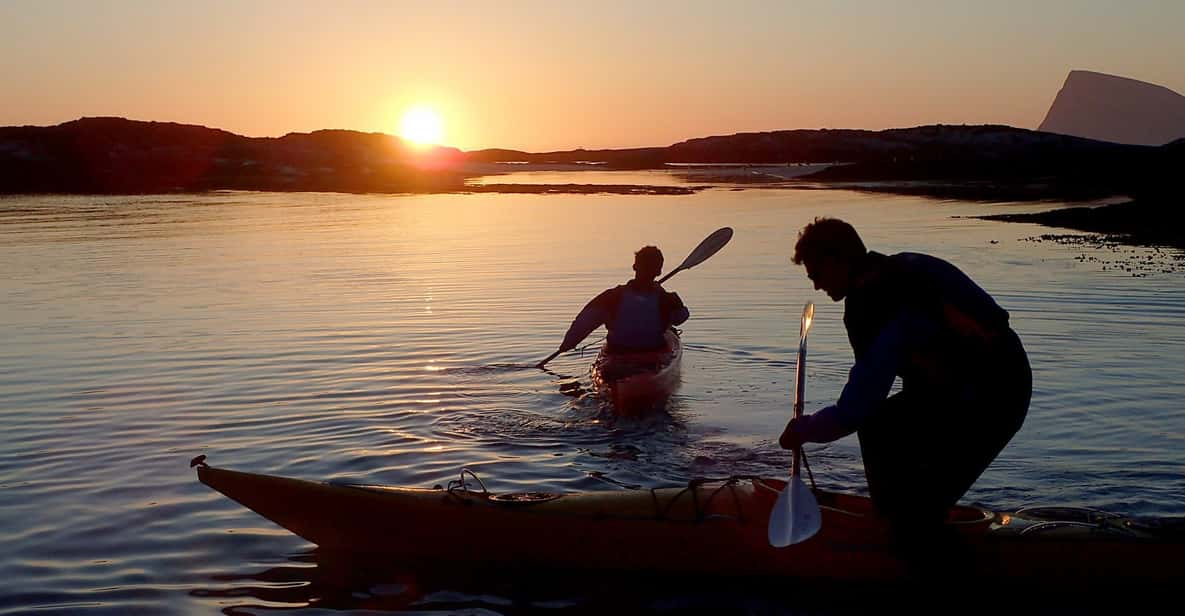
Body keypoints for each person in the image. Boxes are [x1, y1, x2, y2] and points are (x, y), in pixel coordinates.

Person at [779, 217, 1031, 555]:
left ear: (836, 260)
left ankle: (916, 540)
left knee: (915, 510)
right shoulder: (900, 267)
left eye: (816, 275)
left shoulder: (875, 300)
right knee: (882, 427)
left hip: (995, 392)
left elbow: (856, 409)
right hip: (971, 382)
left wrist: (804, 429)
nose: (816, 287)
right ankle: (899, 519)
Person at [537, 246, 688, 368]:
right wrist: (675, 302)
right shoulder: (668, 299)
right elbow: (681, 317)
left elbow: (584, 322)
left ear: (635, 266)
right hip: (652, 355)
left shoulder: (611, 297)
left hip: (618, 354)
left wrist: (567, 345)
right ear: (659, 271)